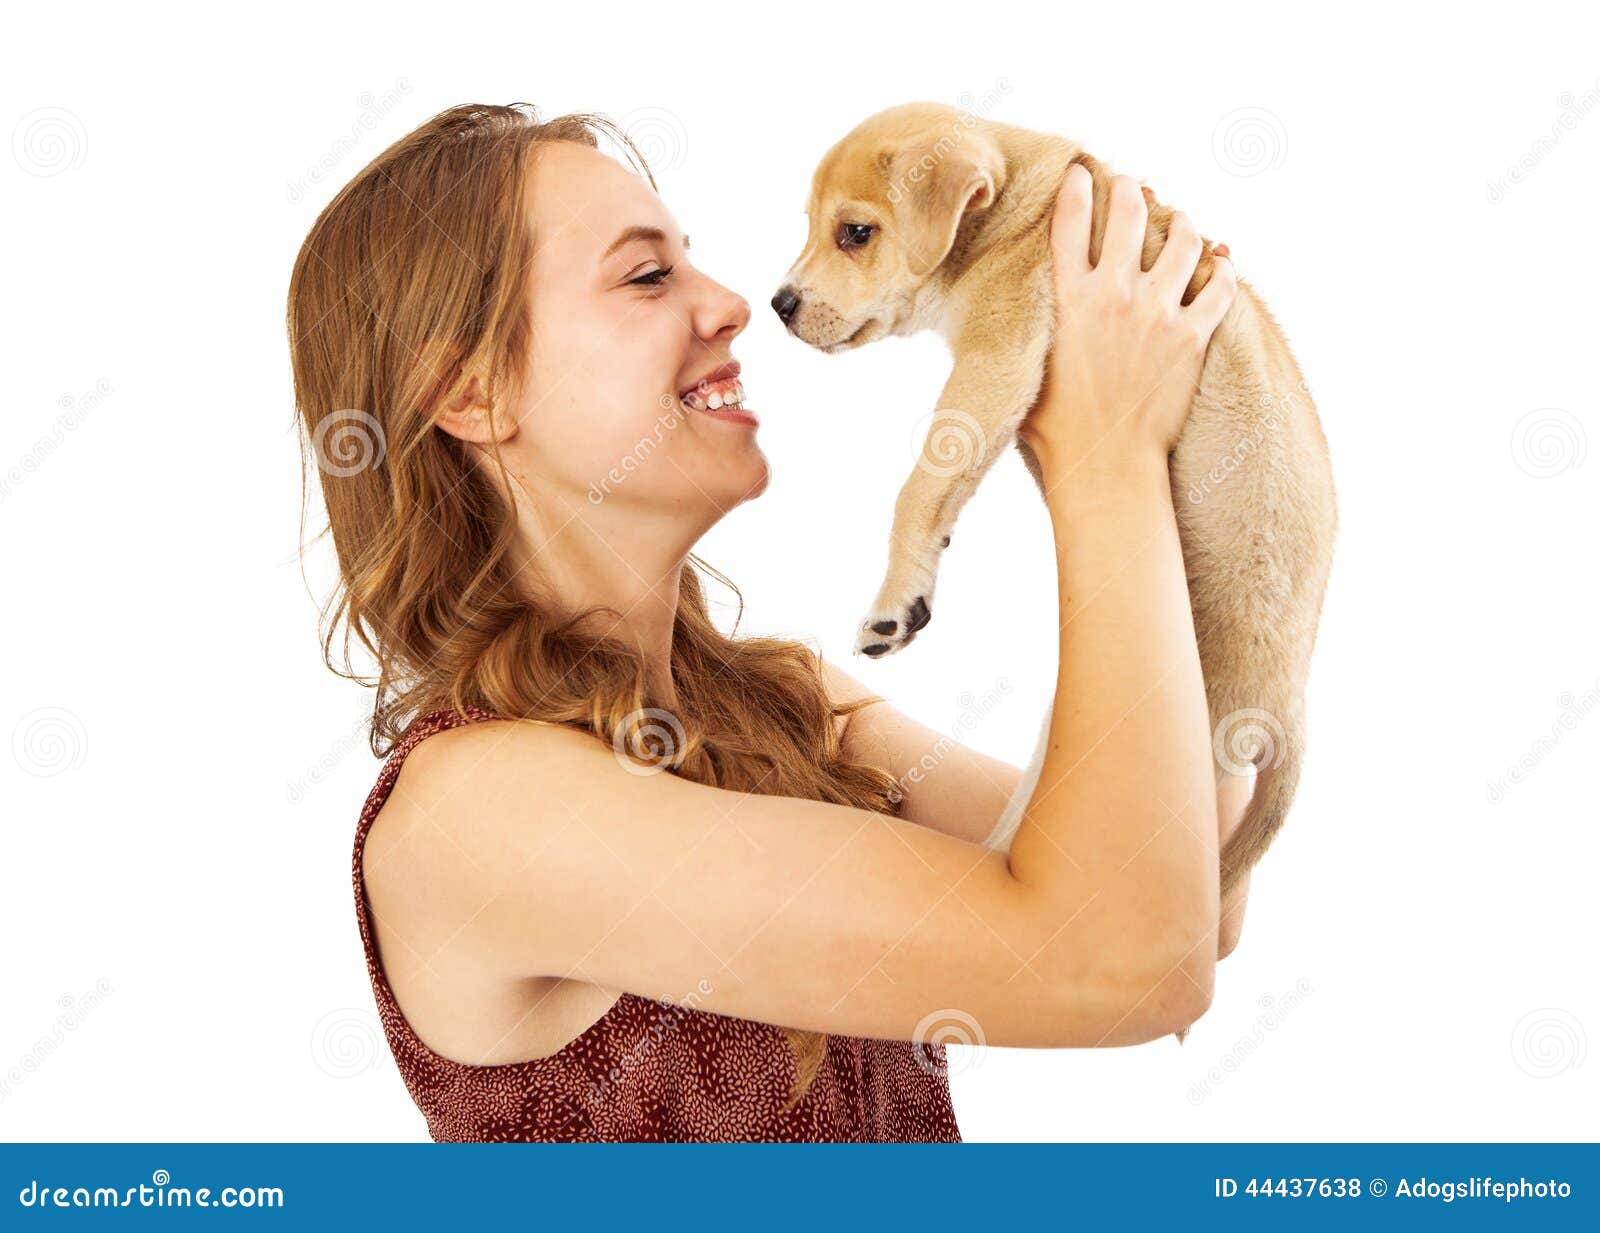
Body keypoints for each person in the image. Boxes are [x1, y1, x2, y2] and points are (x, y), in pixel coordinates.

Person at [286, 103, 1246, 1142]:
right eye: (646, 277)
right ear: (470, 393)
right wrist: (1104, 455)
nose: (734, 304)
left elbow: (1191, 884)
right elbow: (1120, 961)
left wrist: (1187, 425)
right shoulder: (479, 812)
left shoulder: (783, 709)